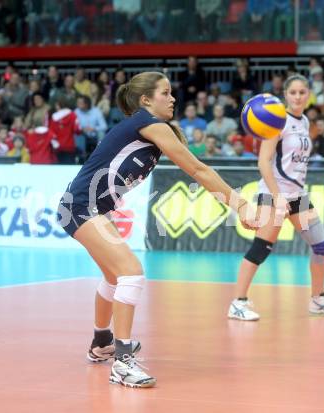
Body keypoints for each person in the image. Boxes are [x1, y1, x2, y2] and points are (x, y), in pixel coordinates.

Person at [57, 72, 260, 388]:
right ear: (146, 100)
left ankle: (101, 343)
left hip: (87, 206)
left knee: (114, 276)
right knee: (131, 272)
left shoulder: (153, 129)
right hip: (81, 205)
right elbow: (198, 170)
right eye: (165, 93)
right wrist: (241, 205)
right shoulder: (149, 124)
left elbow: (197, 168)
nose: (173, 98)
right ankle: (123, 363)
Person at [227, 74, 324, 322]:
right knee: (261, 248)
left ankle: (318, 299)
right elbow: (263, 162)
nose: (298, 96)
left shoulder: (303, 121)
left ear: (309, 94)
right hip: (273, 193)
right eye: (293, 92)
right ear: (286, 96)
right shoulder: (276, 122)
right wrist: (278, 197)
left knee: (321, 245)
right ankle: (238, 303)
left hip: (297, 195)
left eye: (303, 92)